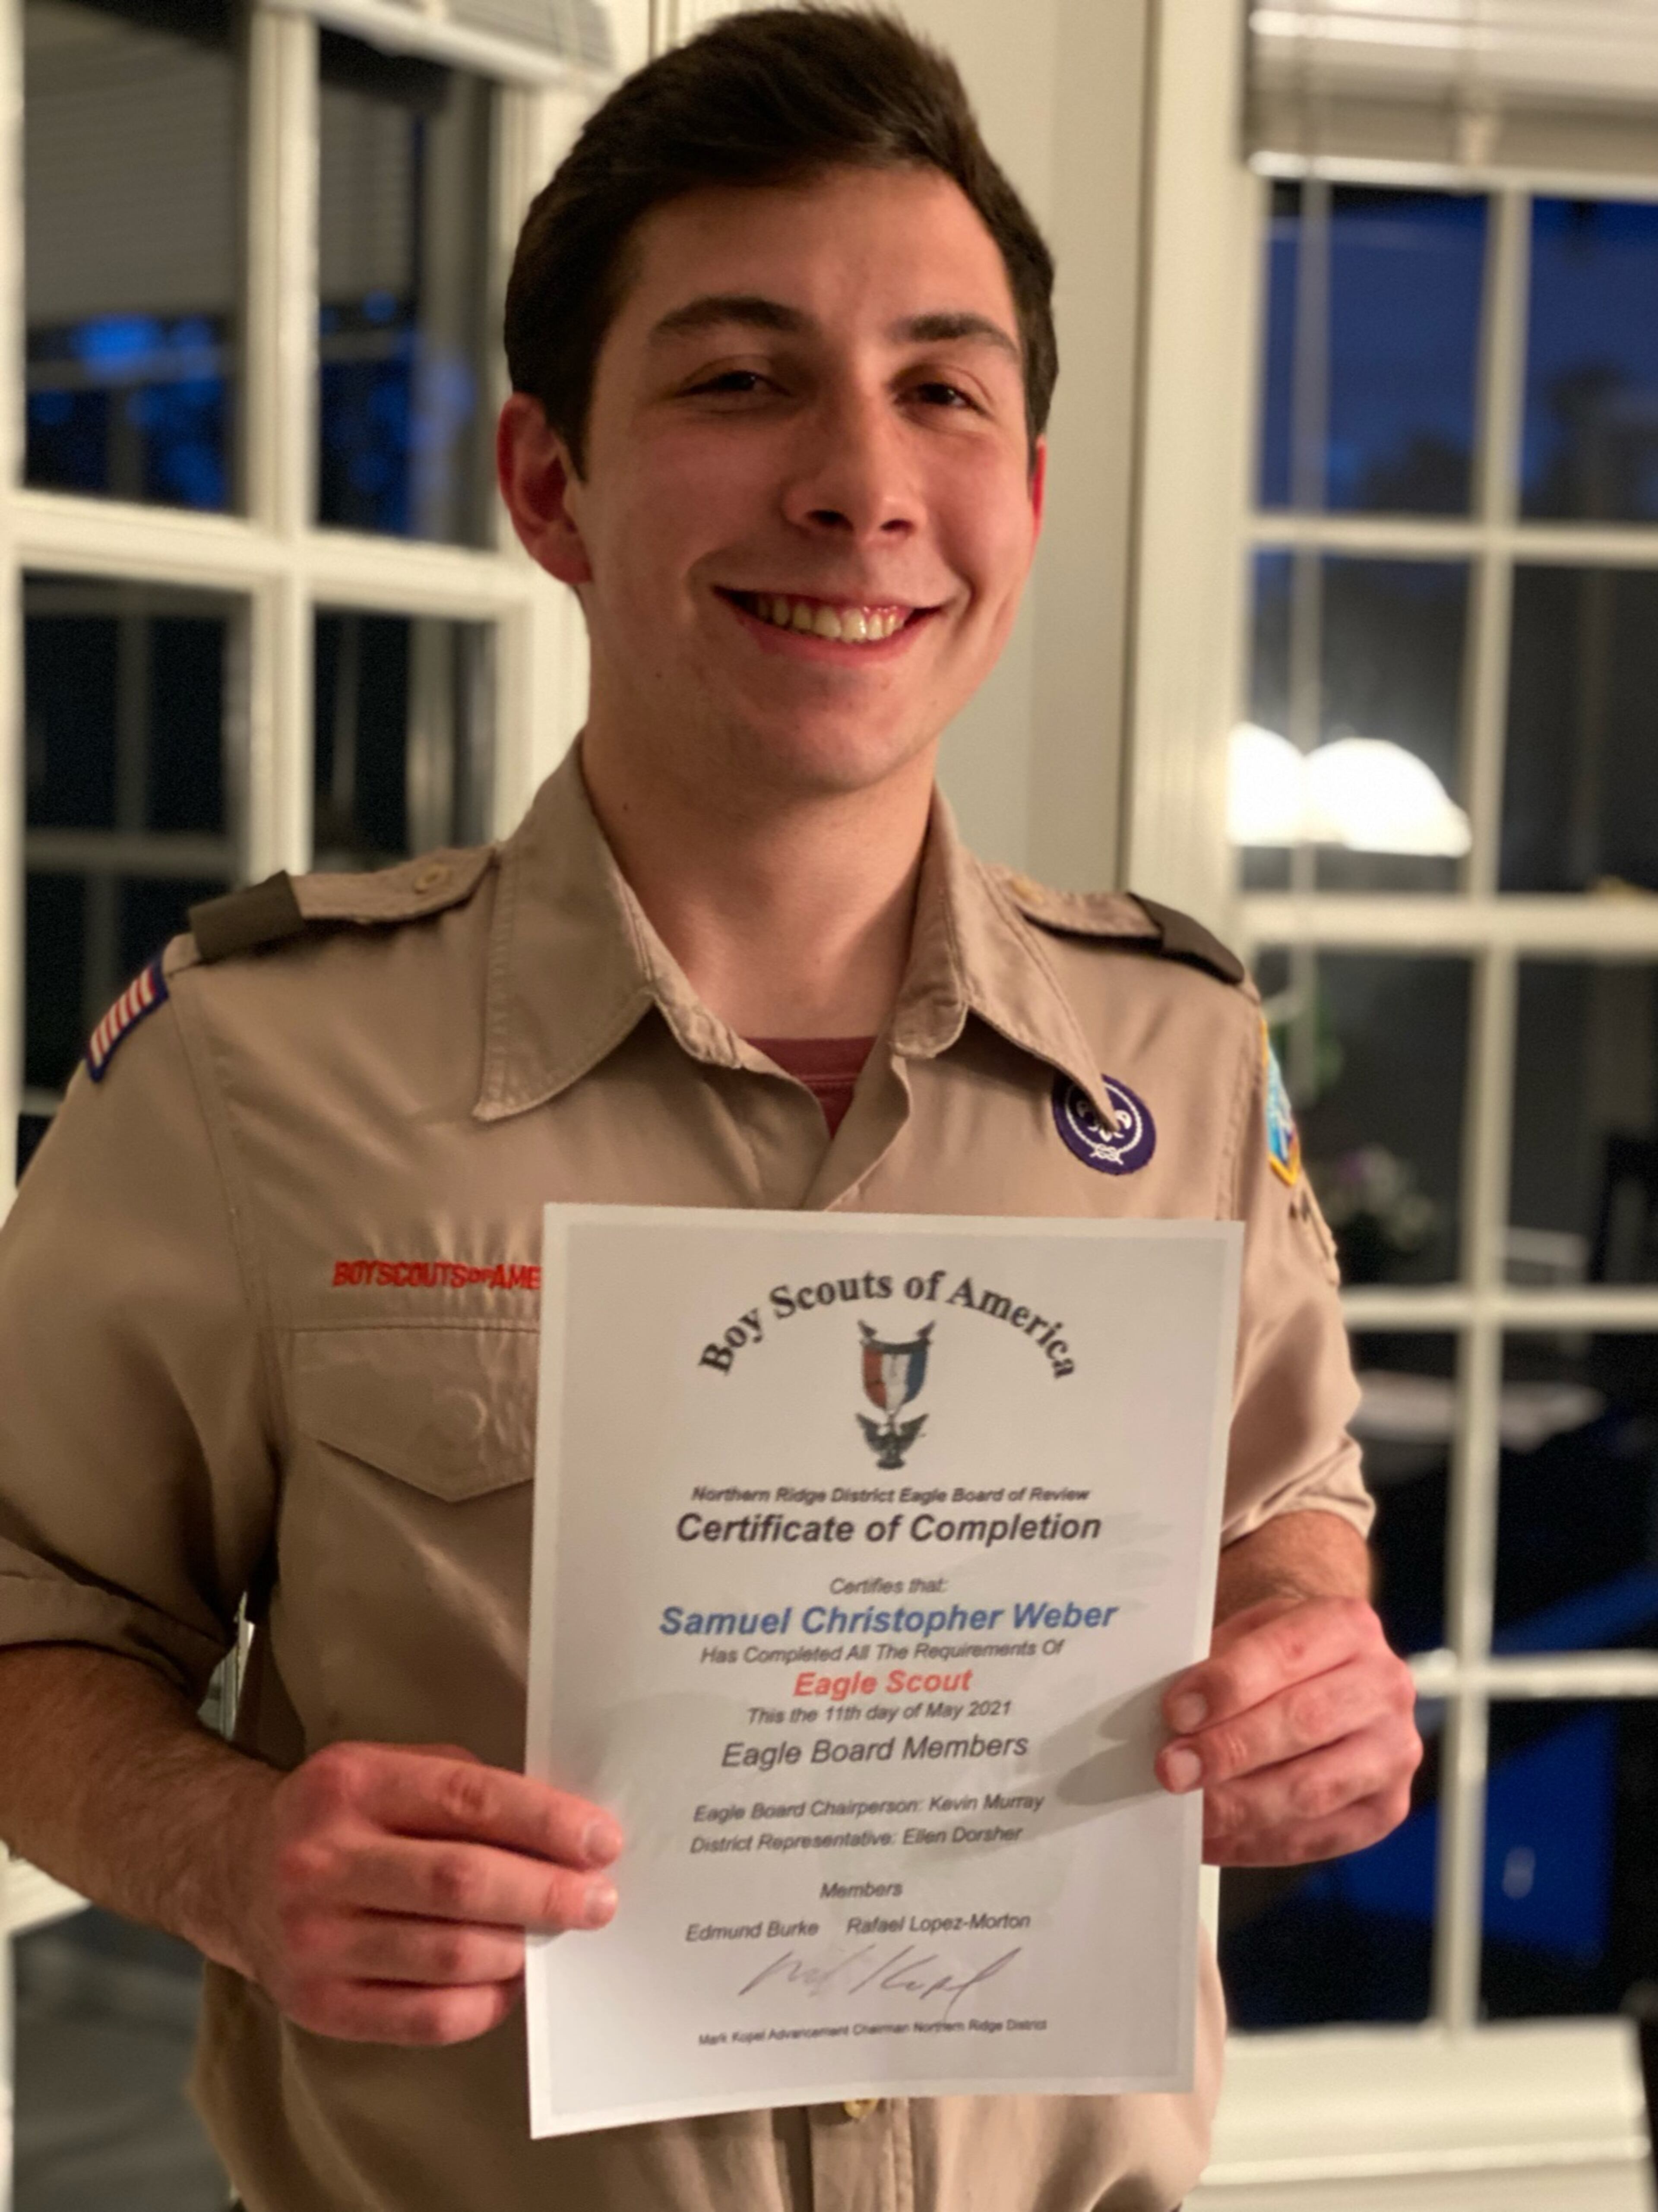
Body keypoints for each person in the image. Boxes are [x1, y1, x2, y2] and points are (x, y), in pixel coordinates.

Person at [0, 11, 1421, 2209]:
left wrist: (1311, 1658)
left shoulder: (1184, 1053)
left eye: (944, 388)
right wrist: (221, 1854)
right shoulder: (250, 1065)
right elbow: (30, 1610)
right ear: (549, 482)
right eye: (742, 379)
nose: (862, 481)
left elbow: (1280, 1502)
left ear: (1026, 495)